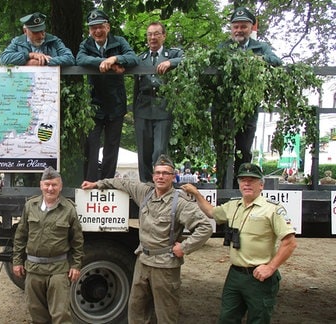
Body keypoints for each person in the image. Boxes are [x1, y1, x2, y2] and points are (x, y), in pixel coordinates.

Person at [81, 155, 212, 323]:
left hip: (165, 266)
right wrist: (97, 184)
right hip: (143, 261)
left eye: (166, 173)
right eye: (158, 173)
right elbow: (123, 183)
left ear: (173, 177)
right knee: (136, 310)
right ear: (153, 176)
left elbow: (205, 227)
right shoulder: (145, 193)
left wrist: (184, 247)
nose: (161, 177)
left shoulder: (179, 203)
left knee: (166, 314)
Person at [181, 163, 297, 323]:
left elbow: (289, 242)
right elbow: (211, 212)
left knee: (258, 320)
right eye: (243, 180)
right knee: (227, 318)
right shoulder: (233, 206)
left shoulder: (272, 210)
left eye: (252, 180)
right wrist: (196, 193)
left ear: (261, 185)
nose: (247, 184)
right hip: (235, 275)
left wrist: (271, 267)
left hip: (259, 278)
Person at [214, 7, 283, 187]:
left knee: (244, 149)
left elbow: (276, 61)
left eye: (243, 27)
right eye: (235, 27)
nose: (238, 30)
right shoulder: (223, 47)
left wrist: (253, 60)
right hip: (224, 109)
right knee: (224, 149)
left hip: (248, 108)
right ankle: (223, 186)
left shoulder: (260, 47)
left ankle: (241, 185)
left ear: (251, 28)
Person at [12, 166, 84, 323]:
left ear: (60, 186)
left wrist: (76, 265)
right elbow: (20, 236)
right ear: (41, 185)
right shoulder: (30, 206)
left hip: (58, 270)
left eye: (54, 185)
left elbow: (77, 241)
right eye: (47, 184)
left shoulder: (69, 209)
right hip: (34, 269)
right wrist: (17, 261)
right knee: (36, 311)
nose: (50, 188)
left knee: (61, 314)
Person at [76, 9, 139, 181]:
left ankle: (107, 182)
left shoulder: (119, 42)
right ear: (89, 30)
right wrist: (105, 64)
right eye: (93, 28)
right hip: (94, 105)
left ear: (108, 27)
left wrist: (115, 59)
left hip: (116, 105)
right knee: (91, 146)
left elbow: (133, 58)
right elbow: (80, 59)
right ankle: (89, 183)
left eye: (100, 27)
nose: (97, 31)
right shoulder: (86, 44)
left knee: (112, 147)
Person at [133, 22, 183, 182]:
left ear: (164, 36)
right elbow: (136, 86)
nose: (153, 38)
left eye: (156, 34)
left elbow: (188, 59)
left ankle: (160, 184)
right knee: (144, 152)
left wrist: (170, 63)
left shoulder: (172, 54)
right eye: (149, 34)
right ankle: (146, 186)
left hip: (163, 108)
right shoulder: (141, 58)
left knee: (159, 151)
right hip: (143, 108)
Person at [0, 12, 75, 66]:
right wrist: (29, 56)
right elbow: (4, 58)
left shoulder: (54, 41)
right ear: (25, 31)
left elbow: (70, 58)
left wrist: (44, 62)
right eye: (35, 32)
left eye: (42, 31)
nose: (41, 36)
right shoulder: (18, 41)